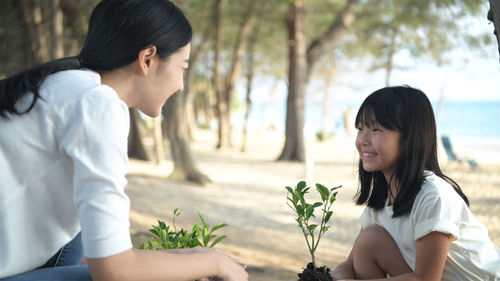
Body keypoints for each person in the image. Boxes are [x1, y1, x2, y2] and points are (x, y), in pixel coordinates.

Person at [0, 0, 248, 281]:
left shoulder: (63, 84)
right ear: (147, 59)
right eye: (182, 67)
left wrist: (185, 257)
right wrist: (213, 263)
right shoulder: (97, 103)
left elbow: (89, 252)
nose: (181, 84)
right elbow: (113, 272)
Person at [331, 86, 500, 281]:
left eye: (376, 129)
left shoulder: (433, 196)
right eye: (360, 129)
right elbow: (351, 262)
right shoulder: (381, 203)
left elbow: (426, 279)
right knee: (369, 240)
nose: (363, 140)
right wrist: (339, 273)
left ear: (410, 137)